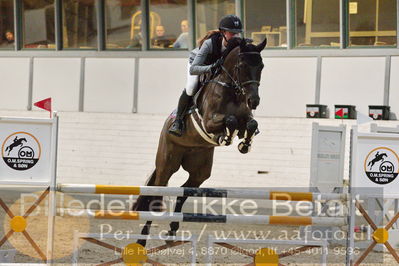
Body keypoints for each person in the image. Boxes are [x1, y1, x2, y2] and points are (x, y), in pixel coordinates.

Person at [168, 15, 243, 137]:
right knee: (191, 87)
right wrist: (211, 67)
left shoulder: (236, 45)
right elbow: (194, 69)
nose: (235, 37)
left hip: (217, 67)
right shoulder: (209, 44)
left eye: (238, 34)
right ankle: (178, 121)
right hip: (197, 64)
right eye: (232, 33)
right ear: (223, 32)